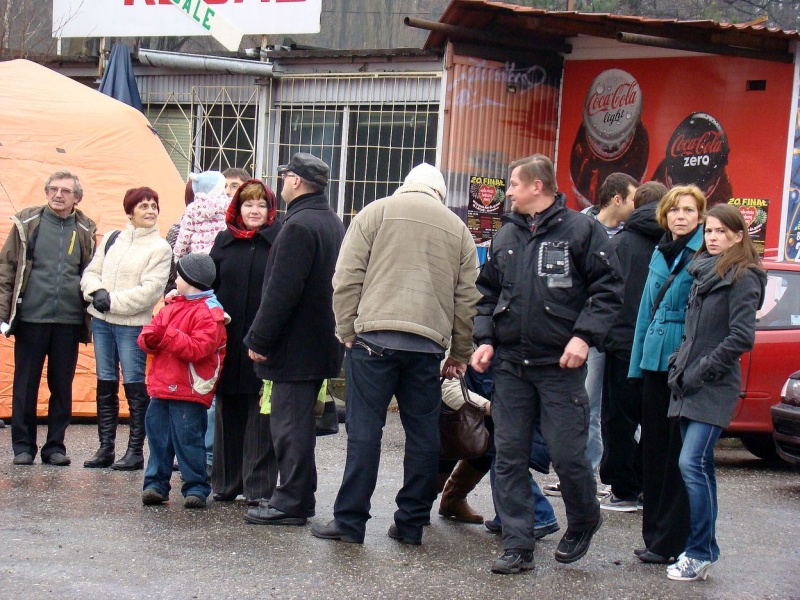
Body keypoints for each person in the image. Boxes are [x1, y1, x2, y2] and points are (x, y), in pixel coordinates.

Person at [310, 162, 479, 546]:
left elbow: (346, 277)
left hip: (373, 342)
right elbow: (467, 297)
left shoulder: (374, 213)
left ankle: (350, 523)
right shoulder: (458, 229)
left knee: (365, 433)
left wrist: (346, 329)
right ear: (439, 194)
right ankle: (411, 524)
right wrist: (459, 351)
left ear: (406, 186)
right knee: (423, 436)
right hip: (427, 348)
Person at [471, 154, 623, 574]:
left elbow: (609, 289)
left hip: (559, 366)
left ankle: (585, 518)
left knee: (568, 455)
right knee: (509, 456)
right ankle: (518, 545)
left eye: (513, 184)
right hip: (510, 366)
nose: (508, 192)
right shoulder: (506, 234)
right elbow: (487, 294)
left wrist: (584, 336)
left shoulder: (582, 230)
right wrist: (484, 340)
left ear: (537, 186)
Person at [243, 153, 345, 527]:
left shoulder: (299, 225)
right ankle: (299, 496)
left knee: (289, 426)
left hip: (295, 345)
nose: (282, 182)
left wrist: (259, 338)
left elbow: (282, 291)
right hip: (319, 342)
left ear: (296, 181)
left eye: (285, 176)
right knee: (298, 424)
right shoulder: (330, 221)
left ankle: (291, 502)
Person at [665, 204, 765, 581]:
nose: (713, 237)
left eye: (721, 231)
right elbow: (693, 331)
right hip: (688, 382)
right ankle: (700, 549)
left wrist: (700, 369)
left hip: (713, 385)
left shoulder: (744, 275)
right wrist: (678, 362)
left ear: (738, 236)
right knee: (698, 467)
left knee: (692, 464)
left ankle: (701, 550)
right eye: (709, 231)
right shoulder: (704, 271)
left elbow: (740, 337)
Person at [547, 172, 638, 498]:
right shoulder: (580, 229)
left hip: (616, 334)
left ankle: (607, 475)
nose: (637, 205)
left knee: (614, 407)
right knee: (582, 402)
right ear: (617, 199)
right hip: (585, 330)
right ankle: (579, 474)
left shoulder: (632, 234)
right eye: (633, 198)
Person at [628, 184, 705, 564]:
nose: (680, 216)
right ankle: (654, 536)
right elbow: (645, 312)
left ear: (700, 216)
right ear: (665, 215)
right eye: (675, 210)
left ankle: (671, 541)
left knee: (677, 455)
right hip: (653, 359)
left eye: (688, 210)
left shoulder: (705, 253)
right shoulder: (661, 250)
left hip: (683, 361)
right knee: (654, 451)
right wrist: (636, 368)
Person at [0, 170, 96, 466]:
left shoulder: (86, 229)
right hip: (32, 317)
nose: (58, 195)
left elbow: (91, 271)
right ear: (46, 192)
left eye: (65, 191)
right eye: (53, 189)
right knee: (25, 385)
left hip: (68, 320)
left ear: (77, 197)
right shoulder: (28, 222)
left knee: (62, 386)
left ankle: (55, 447)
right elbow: (6, 269)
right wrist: (3, 313)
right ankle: (23, 447)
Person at [80, 187, 172, 470]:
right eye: (143, 206)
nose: (150, 210)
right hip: (102, 323)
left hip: (132, 326)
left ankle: (135, 451)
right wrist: (96, 292)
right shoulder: (112, 239)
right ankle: (105, 447)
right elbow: (91, 272)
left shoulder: (160, 248)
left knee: (134, 384)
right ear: (130, 211)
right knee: (105, 382)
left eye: (153, 205)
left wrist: (110, 301)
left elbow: (150, 291)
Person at [209, 179, 282, 504]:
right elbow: (208, 287)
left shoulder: (279, 241)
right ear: (237, 208)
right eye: (248, 204)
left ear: (270, 210)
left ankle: (258, 489)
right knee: (228, 410)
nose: (254, 210)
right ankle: (226, 483)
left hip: (265, 340)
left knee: (261, 414)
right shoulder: (223, 241)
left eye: (261, 205)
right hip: (227, 340)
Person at [138, 253, 227, 509]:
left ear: (191, 280)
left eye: (179, 275)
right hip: (161, 387)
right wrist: (149, 340)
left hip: (189, 389)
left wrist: (166, 335)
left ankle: (196, 486)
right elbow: (149, 333)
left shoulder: (210, 312)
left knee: (189, 441)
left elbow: (198, 349)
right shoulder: (171, 305)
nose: (175, 280)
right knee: (158, 439)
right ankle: (155, 484)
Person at [599, 181, 668, 512]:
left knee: (619, 419)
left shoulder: (620, 244)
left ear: (635, 204)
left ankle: (624, 488)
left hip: (623, 343)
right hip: (663, 344)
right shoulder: (675, 243)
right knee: (656, 418)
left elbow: (604, 293)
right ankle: (648, 484)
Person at [173, 170, 229, 474]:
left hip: (193, 285)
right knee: (212, 371)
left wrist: (183, 265)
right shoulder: (229, 206)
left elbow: (181, 246)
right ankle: (208, 454)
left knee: (190, 374)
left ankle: (188, 453)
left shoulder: (192, 210)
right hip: (216, 286)